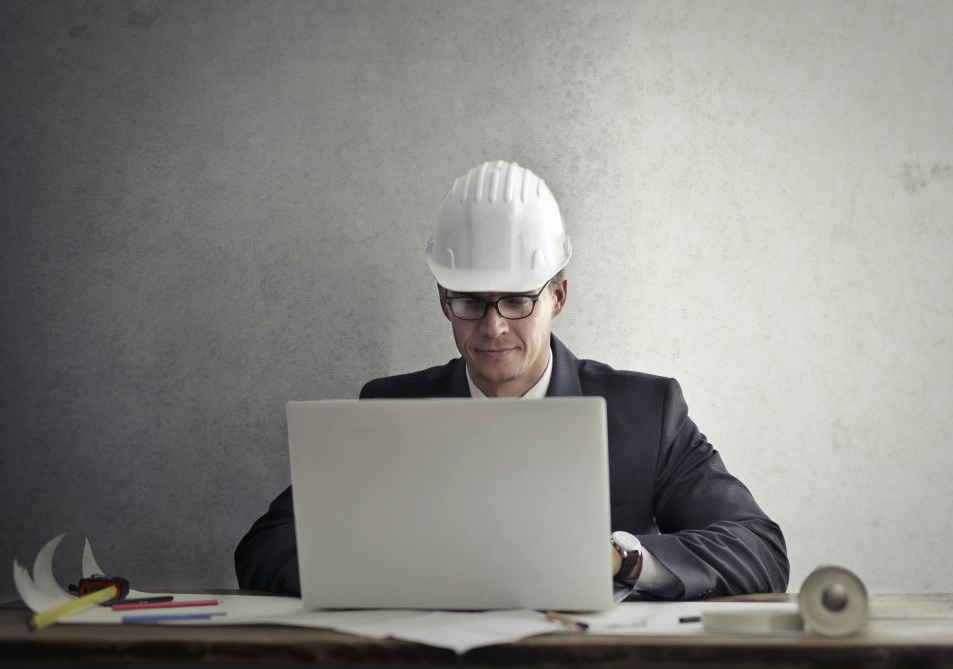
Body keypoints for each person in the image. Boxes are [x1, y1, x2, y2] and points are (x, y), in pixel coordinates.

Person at [236, 160, 789, 600]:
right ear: (443, 301)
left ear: (557, 297)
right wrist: (388, 566)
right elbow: (265, 548)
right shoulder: (388, 407)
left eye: (519, 300)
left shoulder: (647, 412)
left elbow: (757, 547)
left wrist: (620, 560)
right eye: (471, 302)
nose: (494, 326)